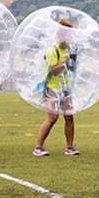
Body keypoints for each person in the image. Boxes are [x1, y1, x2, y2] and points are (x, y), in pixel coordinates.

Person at [33, 18, 80, 156]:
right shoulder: (52, 50)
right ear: (62, 35)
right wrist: (65, 60)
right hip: (52, 88)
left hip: (65, 87)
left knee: (69, 117)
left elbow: (71, 69)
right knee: (52, 118)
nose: (71, 37)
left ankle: (70, 147)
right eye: (69, 34)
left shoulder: (69, 49)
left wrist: (72, 62)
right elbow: (54, 70)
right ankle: (38, 147)